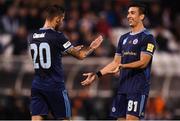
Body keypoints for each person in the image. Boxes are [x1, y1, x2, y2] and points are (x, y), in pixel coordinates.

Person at [81, 3, 156, 120]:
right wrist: (96, 75)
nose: (128, 16)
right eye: (128, 13)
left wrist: (122, 66)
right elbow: (115, 62)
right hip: (122, 88)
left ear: (142, 16)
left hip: (137, 89)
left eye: (132, 13)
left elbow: (143, 62)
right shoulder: (123, 38)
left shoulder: (147, 37)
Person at [28, 5, 103, 120]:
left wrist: (66, 51)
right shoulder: (58, 36)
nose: (62, 23)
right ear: (58, 19)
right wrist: (91, 47)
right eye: (62, 19)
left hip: (37, 85)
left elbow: (48, 54)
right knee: (64, 119)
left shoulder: (33, 36)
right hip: (55, 86)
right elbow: (81, 56)